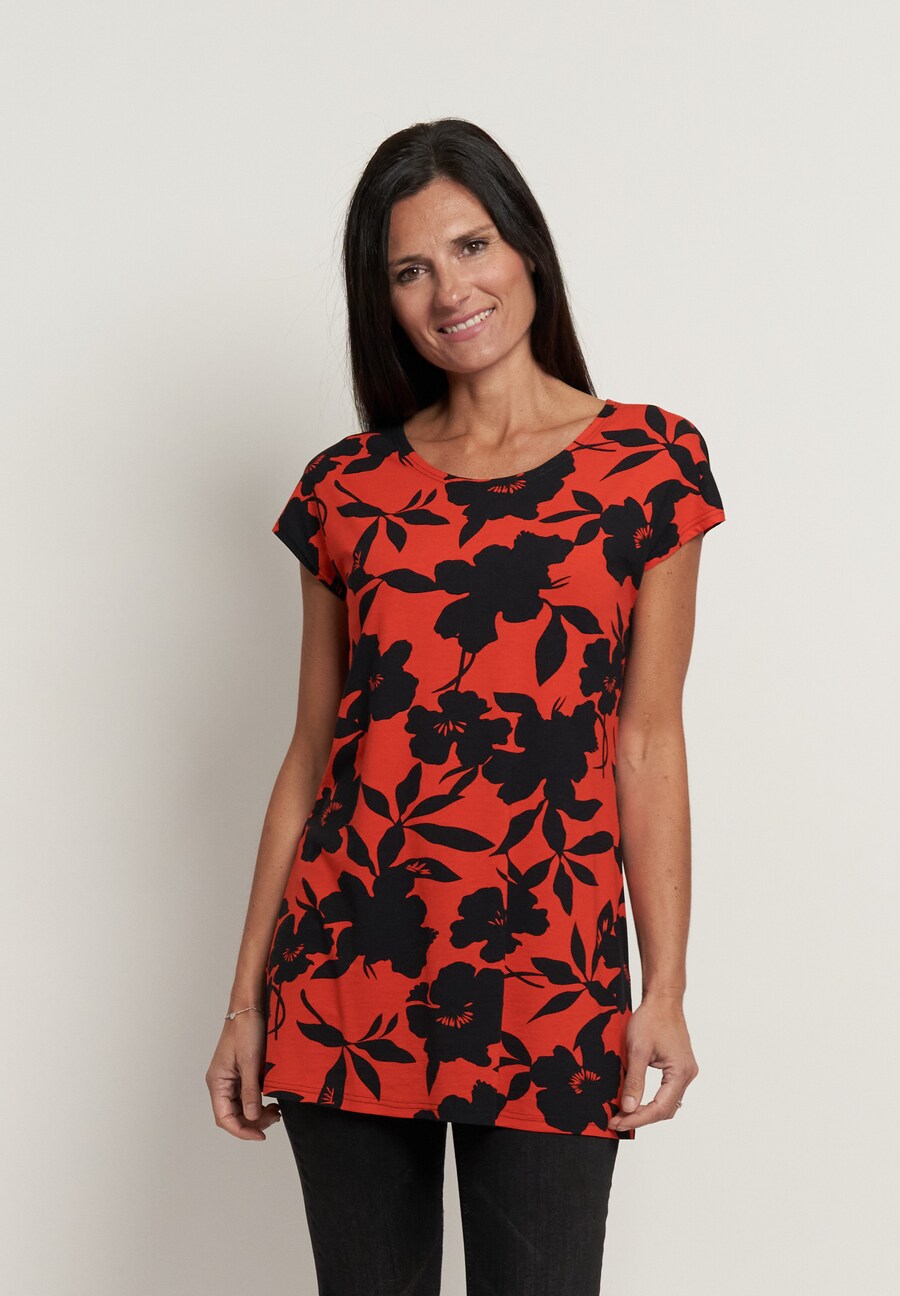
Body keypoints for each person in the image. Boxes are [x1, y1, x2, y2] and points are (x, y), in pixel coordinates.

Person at [206, 118, 727, 1296]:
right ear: (382, 298)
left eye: (471, 245)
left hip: (551, 975)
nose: (450, 291)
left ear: (525, 247)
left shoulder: (649, 465)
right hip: (348, 969)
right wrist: (243, 1004)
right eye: (410, 269)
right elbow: (311, 757)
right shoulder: (345, 490)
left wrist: (666, 987)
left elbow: (648, 743)